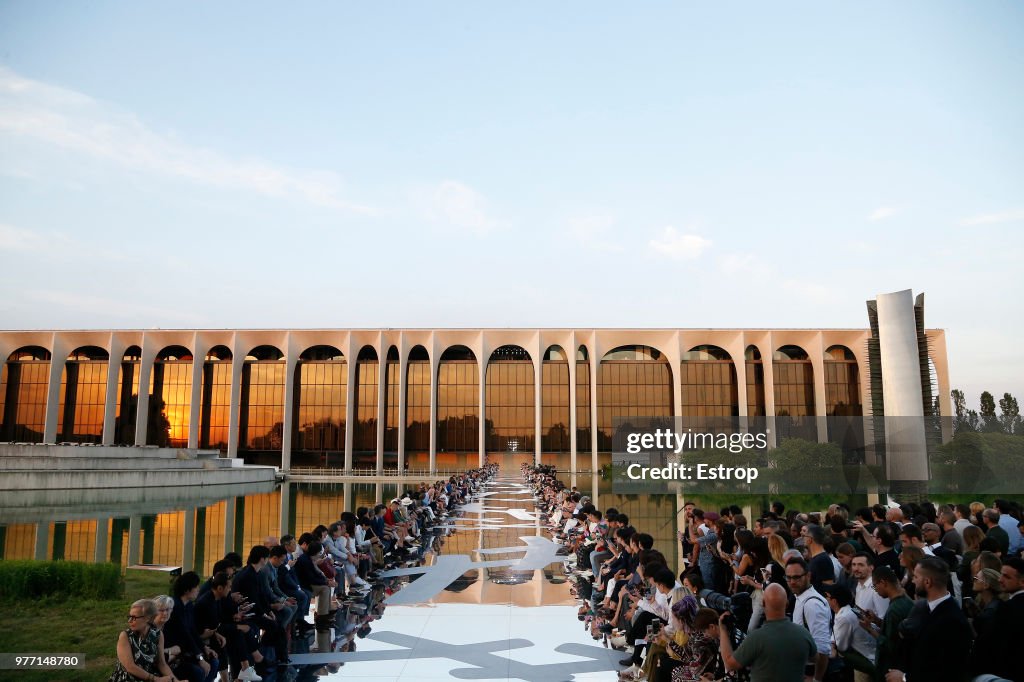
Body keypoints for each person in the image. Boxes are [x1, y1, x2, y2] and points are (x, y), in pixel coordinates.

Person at [883, 557, 971, 682]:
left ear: (928, 582)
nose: (913, 581)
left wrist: (904, 678)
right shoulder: (923, 607)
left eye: (916, 577)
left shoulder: (953, 621)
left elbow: (948, 670)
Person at [719, 583, 816, 681]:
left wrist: (723, 630)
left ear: (763, 603)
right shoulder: (803, 634)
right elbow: (816, 658)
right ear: (786, 603)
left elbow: (730, 664)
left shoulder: (756, 638)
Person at [110, 599, 180, 682]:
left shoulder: (158, 635)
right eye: (130, 617)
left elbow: (161, 664)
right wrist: (157, 679)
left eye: (134, 617)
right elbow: (130, 667)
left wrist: (176, 681)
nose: (130, 621)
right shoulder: (125, 636)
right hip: (128, 679)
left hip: (150, 676)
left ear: (147, 618)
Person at [785, 557, 831, 682]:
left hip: (811, 672)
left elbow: (823, 649)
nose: (792, 582)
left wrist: (816, 679)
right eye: (788, 578)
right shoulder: (801, 598)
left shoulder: (812, 605)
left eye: (796, 577)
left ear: (808, 576)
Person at [822, 584, 876, 682]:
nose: (826, 599)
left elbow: (841, 647)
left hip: (867, 661)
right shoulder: (849, 609)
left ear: (834, 601)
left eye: (827, 596)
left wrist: (833, 645)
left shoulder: (844, 617)